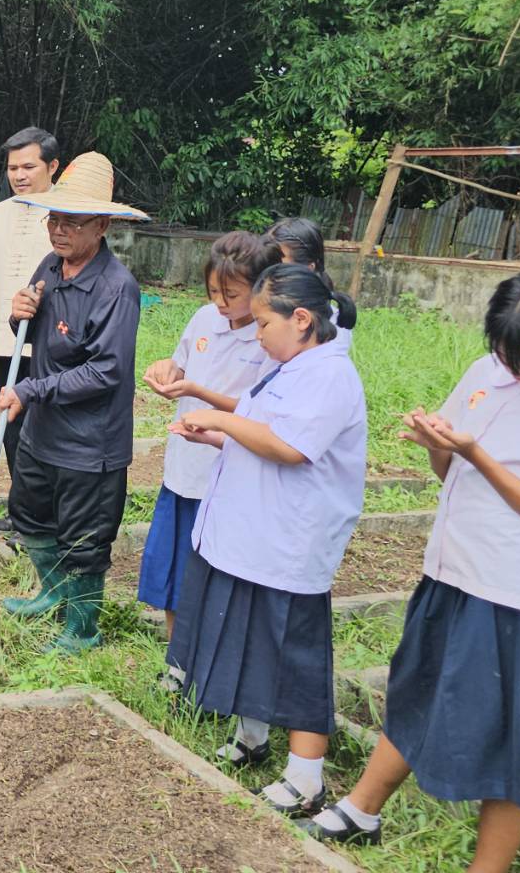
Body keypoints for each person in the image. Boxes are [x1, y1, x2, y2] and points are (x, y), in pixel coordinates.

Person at [300, 273, 520, 872]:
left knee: (508, 733)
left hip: (509, 592)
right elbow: (450, 473)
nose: (510, 365)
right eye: (505, 349)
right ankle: (362, 810)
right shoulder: (485, 373)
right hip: (452, 571)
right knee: (417, 685)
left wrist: (475, 453)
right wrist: (438, 444)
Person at [166, 264, 364, 819]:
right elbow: (263, 435)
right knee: (247, 639)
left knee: (293, 657)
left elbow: (292, 447)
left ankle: (306, 779)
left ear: (301, 319)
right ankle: (251, 737)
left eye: (263, 323)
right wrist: (216, 438)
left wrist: (222, 422)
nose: (257, 335)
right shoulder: (290, 368)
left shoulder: (330, 375)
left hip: (288, 545)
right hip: (250, 536)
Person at [0, 152, 145, 651]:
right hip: (43, 430)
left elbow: (105, 371)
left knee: (83, 538)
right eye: (53, 219)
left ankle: (82, 628)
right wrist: (20, 313)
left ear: (102, 226)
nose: (58, 231)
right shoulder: (50, 266)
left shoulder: (116, 288)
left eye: (72, 222)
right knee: (31, 514)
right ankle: (52, 592)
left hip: (89, 441)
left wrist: (30, 390)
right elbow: (33, 330)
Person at [138, 232, 276, 654]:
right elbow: (180, 366)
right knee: (173, 573)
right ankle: (176, 660)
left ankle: (208, 663)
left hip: (229, 474)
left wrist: (199, 392)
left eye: (231, 294)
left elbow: (260, 411)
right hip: (184, 467)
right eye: (214, 291)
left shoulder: (269, 338)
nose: (220, 302)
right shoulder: (203, 319)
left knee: (214, 579)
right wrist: (167, 371)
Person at [0, 128, 58, 534]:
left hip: (55, 347)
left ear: (53, 166)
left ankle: (50, 519)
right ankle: (24, 517)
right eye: (12, 167)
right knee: (13, 431)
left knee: (50, 431)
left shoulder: (68, 216)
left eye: (28, 166)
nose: (19, 175)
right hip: (7, 345)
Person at [263, 217, 357, 342]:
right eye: (264, 261)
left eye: (275, 263)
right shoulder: (260, 307)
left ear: (308, 268)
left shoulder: (331, 329)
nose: (265, 271)